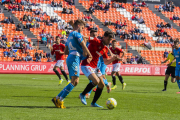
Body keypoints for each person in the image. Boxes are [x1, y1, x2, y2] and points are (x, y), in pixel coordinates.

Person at [52, 20, 92, 109]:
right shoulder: (77, 34)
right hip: (74, 58)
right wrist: (90, 55)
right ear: (78, 25)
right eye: (82, 27)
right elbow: (84, 46)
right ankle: (60, 100)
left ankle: (57, 98)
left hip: (71, 57)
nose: (82, 29)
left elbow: (65, 51)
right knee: (74, 81)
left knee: (74, 81)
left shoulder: (70, 35)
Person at [79, 31, 118, 108]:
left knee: (102, 84)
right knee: (96, 81)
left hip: (95, 67)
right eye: (109, 39)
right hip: (86, 65)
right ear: (105, 37)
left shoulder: (105, 48)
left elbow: (106, 62)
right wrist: (85, 51)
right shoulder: (97, 41)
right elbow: (84, 38)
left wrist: (113, 58)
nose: (110, 42)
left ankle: (93, 103)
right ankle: (83, 94)